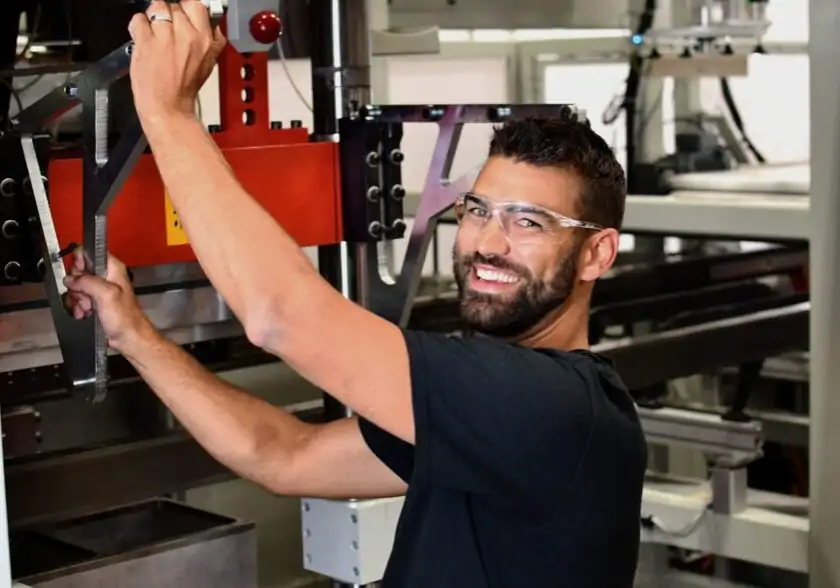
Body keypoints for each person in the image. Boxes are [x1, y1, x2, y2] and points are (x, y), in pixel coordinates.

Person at [64, 1, 647, 586]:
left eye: (527, 221)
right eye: (478, 210)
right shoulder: (492, 415)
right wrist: (134, 335)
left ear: (597, 253)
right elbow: (281, 455)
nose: (488, 242)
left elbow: (279, 317)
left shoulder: (553, 406)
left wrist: (170, 113)